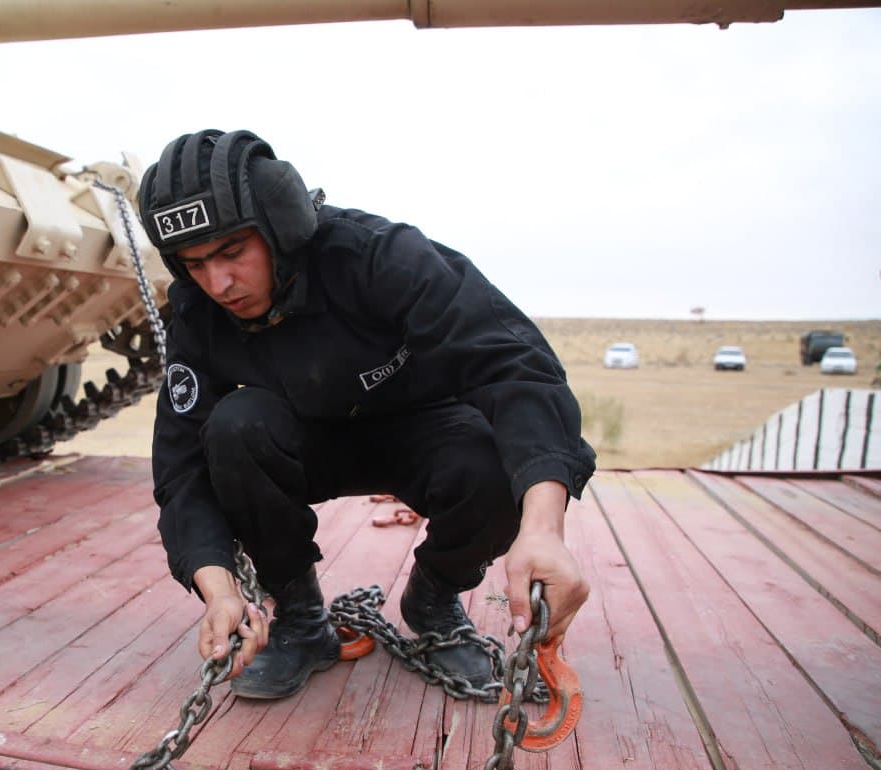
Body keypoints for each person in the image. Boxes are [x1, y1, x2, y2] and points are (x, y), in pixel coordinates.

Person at [138, 129, 596, 700]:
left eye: (233, 252)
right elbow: (181, 464)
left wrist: (544, 529)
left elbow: (515, 366)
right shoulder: (198, 311)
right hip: (306, 441)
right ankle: (301, 618)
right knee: (235, 426)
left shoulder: (380, 255)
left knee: (493, 459)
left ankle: (434, 597)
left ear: (281, 227)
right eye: (195, 264)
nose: (219, 283)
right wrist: (219, 588)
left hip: (425, 428)